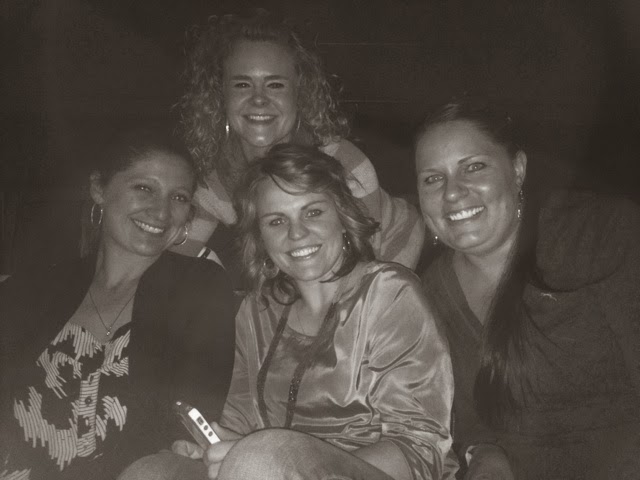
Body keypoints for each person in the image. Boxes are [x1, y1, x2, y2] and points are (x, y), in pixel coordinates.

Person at [119, 143, 455, 480]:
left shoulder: (388, 293)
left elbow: (419, 450)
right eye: (277, 221)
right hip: (264, 468)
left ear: (342, 216)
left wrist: (284, 462)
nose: (296, 233)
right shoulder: (257, 310)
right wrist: (220, 448)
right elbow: (240, 418)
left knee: (259, 459)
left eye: (313, 212)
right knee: (151, 472)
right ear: (261, 237)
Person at [415, 97, 640, 480]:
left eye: (474, 167)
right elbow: (466, 417)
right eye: (433, 178)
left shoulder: (597, 234)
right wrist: (485, 455)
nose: (452, 193)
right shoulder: (431, 291)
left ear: (517, 170)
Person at [0, 129, 236, 480]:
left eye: (179, 197)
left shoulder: (200, 287)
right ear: (99, 188)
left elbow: (192, 415)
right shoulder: (36, 286)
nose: (161, 211)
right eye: (144, 188)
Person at [174, 10, 424, 274]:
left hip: (393, 252)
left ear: (299, 93)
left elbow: (363, 273)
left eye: (275, 85)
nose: (258, 99)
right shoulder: (213, 179)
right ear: (220, 94)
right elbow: (173, 256)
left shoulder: (344, 164)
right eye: (242, 85)